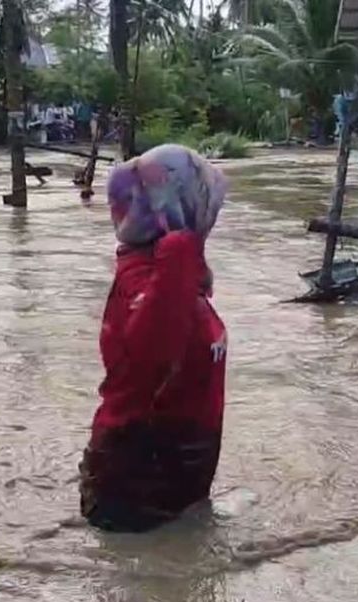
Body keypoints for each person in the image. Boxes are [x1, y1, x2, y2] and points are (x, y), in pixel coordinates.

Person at [79, 144, 230, 533]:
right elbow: (152, 357)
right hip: (139, 476)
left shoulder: (171, 269)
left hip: (175, 471)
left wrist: (184, 259)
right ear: (179, 204)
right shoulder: (155, 274)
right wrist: (181, 250)